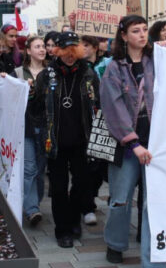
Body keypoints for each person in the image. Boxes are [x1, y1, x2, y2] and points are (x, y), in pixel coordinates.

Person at [100, 15, 166, 268]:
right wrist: (133, 143)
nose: (142, 35)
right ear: (124, 36)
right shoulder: (114, 68)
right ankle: (115, 242)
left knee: (154, 204)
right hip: (127, 144)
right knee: (120, 199)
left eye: (144, 30)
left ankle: (154, 266)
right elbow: (113, 108)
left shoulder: (160, 61)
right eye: (135, 31)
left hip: (157, 143)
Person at [36, 31, 99, 248]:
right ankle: (62, 229)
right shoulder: (46, 75)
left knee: (81, 185)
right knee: (59, 187)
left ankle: (74, 222)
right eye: (66, 52)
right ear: (58, 52)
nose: (70, 56)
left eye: (74, 51)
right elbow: (35, 108)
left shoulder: (89, 74)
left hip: (83, 140)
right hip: (56, 141)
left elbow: (98, 105)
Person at [14, 35, 48, 227]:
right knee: (29, 168)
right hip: (25, 125)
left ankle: (33, 201)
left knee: (40, 169)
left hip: (45, 126)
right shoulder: (19, 73)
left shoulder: (51, 72)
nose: (42, 49)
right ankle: (32, 209)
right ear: (28, 51)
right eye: (37, 46)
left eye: (43, 46)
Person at [80, 34, 108, 226]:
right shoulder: (79, 68)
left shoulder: (107, 64)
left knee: (100, 166)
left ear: (95, 47)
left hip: (106, 120)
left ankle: (92, 194)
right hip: (85, 122)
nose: (83, 48)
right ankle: (87, 205)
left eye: (87, 45)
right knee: (87, 166)